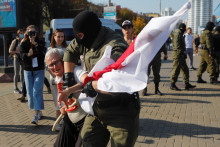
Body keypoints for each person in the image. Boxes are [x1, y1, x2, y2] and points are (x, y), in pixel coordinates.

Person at [60, 10, 140, 146]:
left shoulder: (115, 44)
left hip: (121, 111)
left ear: (90, 31)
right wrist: (68, 81)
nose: (78, 39)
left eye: (80, 35)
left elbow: (118, 79)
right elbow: (70, 51)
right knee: (87, 142)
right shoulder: (85, 38)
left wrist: (91, 85)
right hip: (98, 108)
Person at [45, 48, 87, 147]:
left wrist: (69, 90)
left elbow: (88, 81)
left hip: (86, 118)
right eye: (51, 65)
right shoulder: (58, 77)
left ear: (63, 60)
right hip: (71, 117)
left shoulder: (75, 70)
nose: (54, 67)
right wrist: (64, 107)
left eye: (56, 62)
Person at [20, 25, 46, 125]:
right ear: (27, 33)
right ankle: (38, 110)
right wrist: (27, 55)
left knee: (37, 91)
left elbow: (44, 53)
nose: (32, 34)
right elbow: (21, 56)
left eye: (33, 32)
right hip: (27, 70)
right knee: (30, 94)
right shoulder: (23, 42)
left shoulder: (40, 41)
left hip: (39, 70)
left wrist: (35, 44)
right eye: (30, 32)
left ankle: (36, 115)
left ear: (36, 33)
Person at [46, 29, 68, 131]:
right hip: (55, 80)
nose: (60, 38)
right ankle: (58, 123)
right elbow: (47, 66)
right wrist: (55, 76)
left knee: (67, 100)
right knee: (58, 101)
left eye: (62, 36)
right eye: (58, 36)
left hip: (66, 78)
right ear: (54, 37)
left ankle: (66, 122)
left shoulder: (67, 48)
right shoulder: (50, 49)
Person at [170, 23, 196, 90]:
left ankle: (186, 84)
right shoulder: (177, 34)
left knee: (185, 69)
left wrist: (183, 53)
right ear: (181, 28)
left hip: (181, 54)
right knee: (176, 70)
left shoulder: (180, 34)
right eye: (184, 28)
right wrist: (182, 53)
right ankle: (172, 84)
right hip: (178, 55)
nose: (185, 30)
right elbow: (177, 46)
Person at [9, 29, 24, 94]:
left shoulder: (24, 41)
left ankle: (23, 87)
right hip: (16, 58)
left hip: (23, 58)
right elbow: (10, 51)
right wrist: (17, 52)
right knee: (16, 73)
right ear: (18, 34)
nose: (22, 34)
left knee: (23, 73)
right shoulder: (15, 41)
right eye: (20, 33)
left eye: (23, 33)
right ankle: (15, 88)